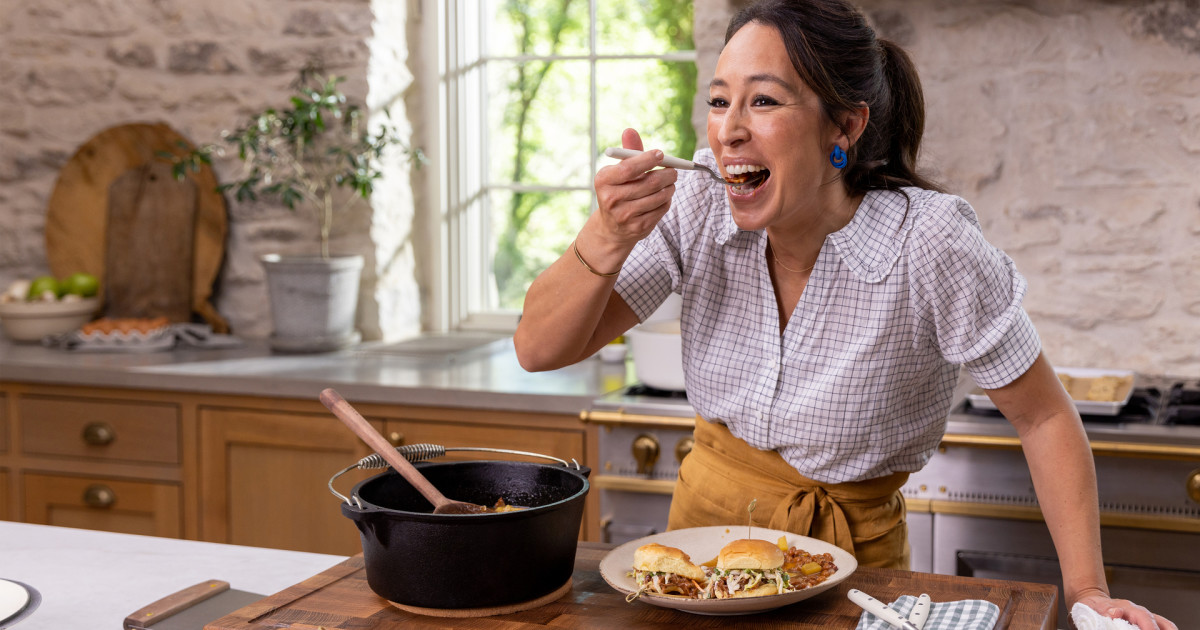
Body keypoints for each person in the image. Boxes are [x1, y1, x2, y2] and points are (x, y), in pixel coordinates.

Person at [513, 0, 1174, 627]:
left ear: (845, 127)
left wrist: (1089, 592)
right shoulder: (696, 202)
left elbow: (1045, 414)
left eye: (763, 101)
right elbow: (538, 348)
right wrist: (606, 236)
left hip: (853, 578)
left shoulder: (929, 243)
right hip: (698, 564)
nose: (729, 128)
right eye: (719, 101)